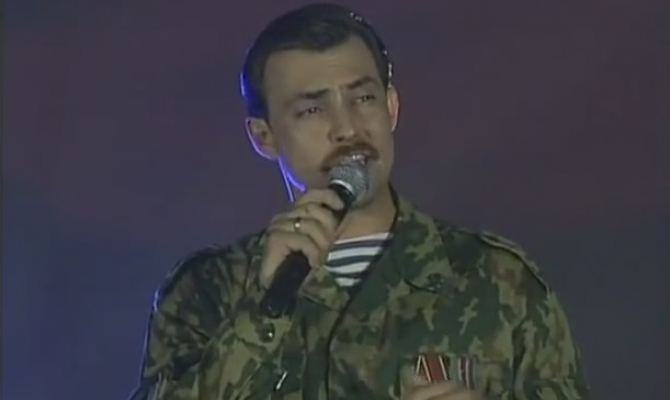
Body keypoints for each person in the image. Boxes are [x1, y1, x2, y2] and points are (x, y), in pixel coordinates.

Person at [127, 3, 591, 399]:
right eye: (312, 108)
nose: (347, 127)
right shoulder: (207, 292)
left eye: (363, 98)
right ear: (264, 136)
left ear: (391, 108)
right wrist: (263, 312)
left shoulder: (497, 282)